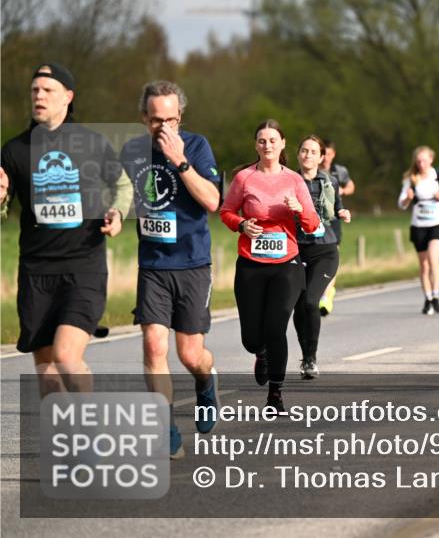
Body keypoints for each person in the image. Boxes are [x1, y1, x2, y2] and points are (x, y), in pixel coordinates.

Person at [0, 63, 131, 397]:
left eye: (48, 90)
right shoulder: (15, 150)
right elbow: (4, 210)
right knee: (47, 375)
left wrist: (116, 213)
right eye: (35, 90)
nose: (39, 96)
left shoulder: (91, 143)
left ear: (68, 97)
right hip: (36, 271)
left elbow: (122, 185)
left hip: (82, 266)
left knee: (66, 358)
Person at [120, 80, 222, 459]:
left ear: (181, 117)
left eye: (171, 120)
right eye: (156, 121)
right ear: (143, 118)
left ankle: (206, 382)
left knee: (191, 354)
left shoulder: (196, 146)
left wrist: (180, 161)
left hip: (193, 262)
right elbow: (118, 194)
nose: (163, 128)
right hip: (153, 265)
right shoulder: (132, 151)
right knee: (153, 344)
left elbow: (212, 200)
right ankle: (165, 428)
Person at [220, 120, 320, 411]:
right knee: (252, 337)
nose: (267, 145)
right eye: (262, 141)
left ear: (283, 144)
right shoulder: (244, 179)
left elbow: (313, 224)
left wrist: (300, 210)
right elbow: (226, 212)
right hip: (250, 265)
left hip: (286, 265)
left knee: (276, 328)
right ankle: (260, 353)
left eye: (273, 140)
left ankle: (275, 395)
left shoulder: (294, 180)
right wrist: (241, 224)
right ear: (256, 145)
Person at [292, 135, 351, 379]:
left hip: (324, 249)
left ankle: (311, 358)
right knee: (298, 305)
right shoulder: (288, 181)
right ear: (298, 154)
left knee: (310, 301)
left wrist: (343, 212)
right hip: (295, 249)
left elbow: (336, 207)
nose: (308, 155)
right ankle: (305, 356)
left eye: (313, 152)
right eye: (304, 150)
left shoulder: (330, 181)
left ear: (321, 157)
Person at [398, 145, 439, 314]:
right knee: (424, 265)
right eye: (418, 161)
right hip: (419, 225)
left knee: (433, 258)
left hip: (438, 223)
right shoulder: (411, 179)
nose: (421, 163)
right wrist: (407, 199)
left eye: (424, 160)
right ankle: (428, 299)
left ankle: (436, 297)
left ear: (431, 159)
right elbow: (401, 204)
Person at [317, 139, 354, 316]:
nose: (326, 158)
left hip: (334, 217)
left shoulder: (339, 171)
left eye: (330, 154)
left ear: (333, 155)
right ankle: (319, 291)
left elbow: (350, 185)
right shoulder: (311, 169)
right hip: (316, 218)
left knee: (333, 253)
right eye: (324, 154)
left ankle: (325, 296)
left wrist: (343, 192)